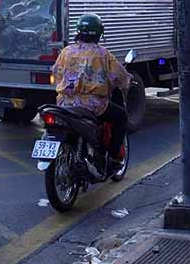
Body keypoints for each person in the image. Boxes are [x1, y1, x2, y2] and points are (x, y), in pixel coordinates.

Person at [50, 13, 131, 168]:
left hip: (65, 103)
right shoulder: (103, 54)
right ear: (99, 33)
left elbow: (56, 74)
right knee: (121, 117)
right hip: (92, 105)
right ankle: (114, 157)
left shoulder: (66, 51)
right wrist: (126, 81)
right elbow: (120, 77)